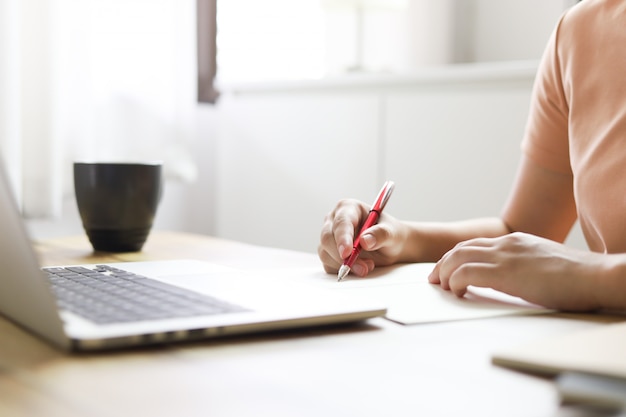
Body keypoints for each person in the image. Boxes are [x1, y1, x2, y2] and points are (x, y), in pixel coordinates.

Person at [318, 0, 626, 312]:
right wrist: (398, 239)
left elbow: (553, 263)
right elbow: (519, 235)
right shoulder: (577, 33)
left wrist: (589, 275)